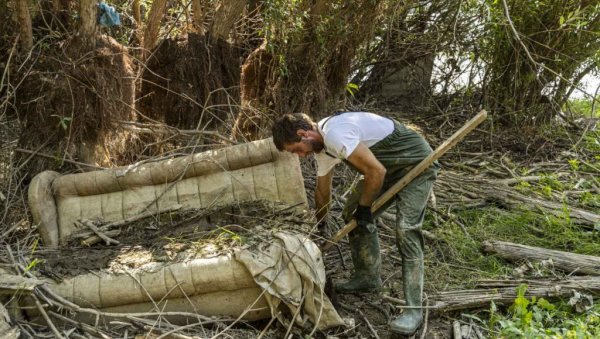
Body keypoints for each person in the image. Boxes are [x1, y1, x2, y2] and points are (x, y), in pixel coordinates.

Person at [271, 111, 439, 335]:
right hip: (386, 169)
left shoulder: (336, 134)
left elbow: (375, 171)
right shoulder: (323, 148)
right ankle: (367, 277)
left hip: (416, 163)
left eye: (297, 150)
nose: (301, 156)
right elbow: (323, 192)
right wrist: (320, 225)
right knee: (351, 212)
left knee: (407, 230)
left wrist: (365, 208)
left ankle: (413, 310)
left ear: (303, 134)